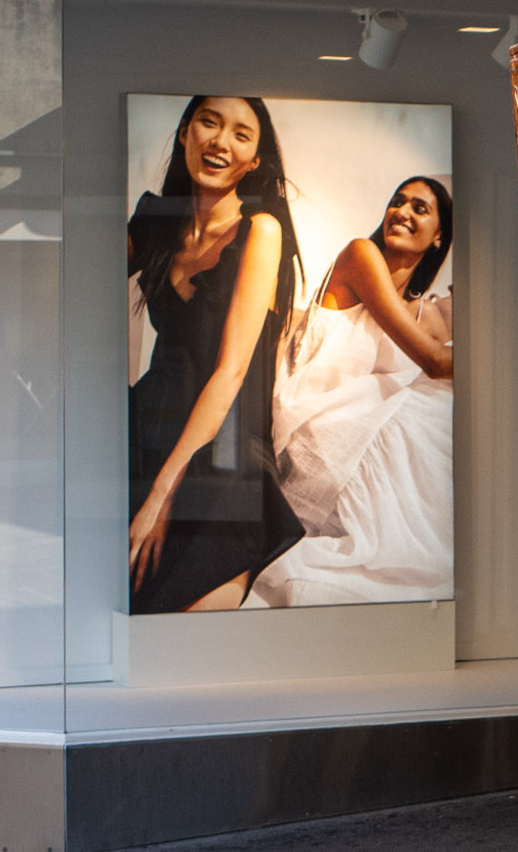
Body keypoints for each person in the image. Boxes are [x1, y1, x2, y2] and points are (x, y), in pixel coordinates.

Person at [127, 95, 304, 613]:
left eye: (241, 134)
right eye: (208, 122)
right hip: (145, 429)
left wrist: (160, 498)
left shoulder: (261, 232)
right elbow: (73, 280)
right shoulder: (156, 222)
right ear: (185, 132)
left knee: (187, 625)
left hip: (223, 447)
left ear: (254, 161)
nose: (220, 141)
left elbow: (231, 373)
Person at [255, 176, 457, 607]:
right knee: (429, 407)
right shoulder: (360, 256)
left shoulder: (425, 313)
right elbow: (438, 363)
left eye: (419, 208)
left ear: (440, 237)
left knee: (443, 407)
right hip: (316, 427)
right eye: (397, 202)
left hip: (359, 439)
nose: (401, 212)